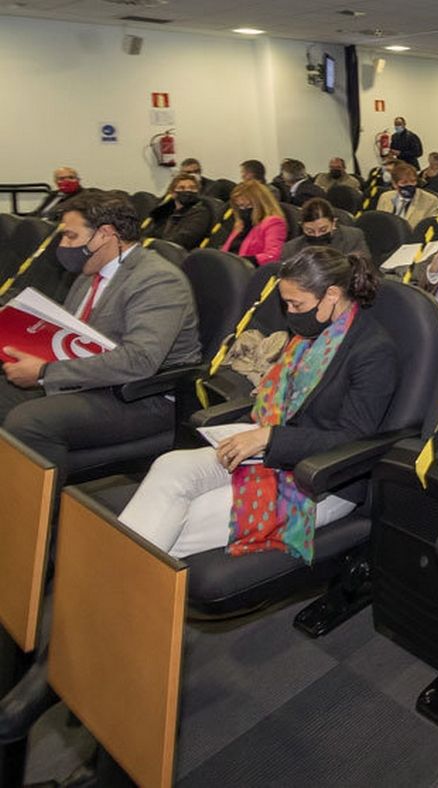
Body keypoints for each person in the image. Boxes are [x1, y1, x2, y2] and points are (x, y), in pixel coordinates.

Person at [118, 246, 397, 562]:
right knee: (170, 467)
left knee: (181, 520)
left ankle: (124, 585)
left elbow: (351, 438)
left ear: (332, 295)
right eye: (286, 303)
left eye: (296, 304)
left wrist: (269, 437)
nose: (290, 313)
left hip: (323, 478)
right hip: (274, 452)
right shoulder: (313, 334)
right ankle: (117, 579)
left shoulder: (373, 351)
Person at [0, 191, 202, 479]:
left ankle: (43, 514)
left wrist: (45, 372)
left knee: (29, 422)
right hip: (93, 381)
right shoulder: (89, 272)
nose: (63, 245)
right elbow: (71, 332)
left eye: (71, 236)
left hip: (142, 396)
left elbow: (140, 360)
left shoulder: (158, 279)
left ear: (105, 234)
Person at [279, 198, 371, 260]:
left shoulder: (353, 238)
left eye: (323, 230)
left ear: (334, 223)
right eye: (310, 231)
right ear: (301, 226)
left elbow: (363, 271)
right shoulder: (290, 249)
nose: (317, 235)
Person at [222, 180, 287, 266]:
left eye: (249, 205)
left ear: (261, 204)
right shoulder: (240, 223)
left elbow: (273, 255)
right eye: (240, 206)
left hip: (250, 271)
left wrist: (244, 261)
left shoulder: (274, 223)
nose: (244, 210)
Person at [145, 172, 213, 250]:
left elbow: (185, 239)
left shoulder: (201, 213)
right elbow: (149, 232)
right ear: (173, 193)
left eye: (192, 188)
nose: (187, 191)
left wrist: (157, 246)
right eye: (181, 188)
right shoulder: (166, 211)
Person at [376, 162, 438, 227]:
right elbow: (379, 222)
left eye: (413, 181)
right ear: (394, 184)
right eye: (404, 182)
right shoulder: (385, 197)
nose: (409, 185)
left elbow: (431, 228)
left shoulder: (431, 201)